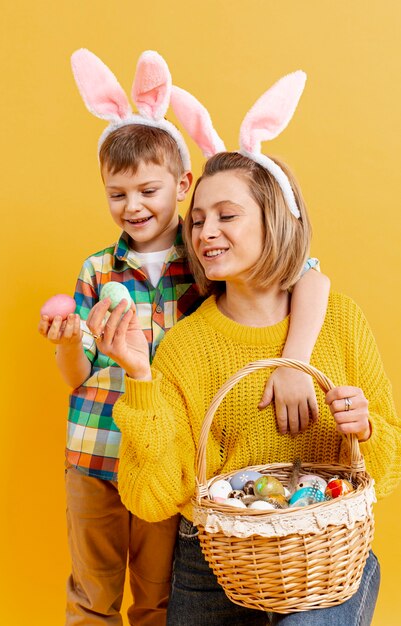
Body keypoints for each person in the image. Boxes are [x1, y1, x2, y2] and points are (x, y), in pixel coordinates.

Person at [86, 73, 401, 626]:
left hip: (323, 558)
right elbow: (154, 498)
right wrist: (138, 377)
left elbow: (391, 466)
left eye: (227, 216)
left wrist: (364, 428)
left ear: (274, 218)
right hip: (211, 563)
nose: (206, 232)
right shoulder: (185, 346)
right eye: (199, 219)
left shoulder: (340, 321)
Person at [38, 53, 329, 626]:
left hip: (165, 459)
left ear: (182, 183)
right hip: (94, 453)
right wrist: (67, 341)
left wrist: (295, 362)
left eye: (147, 190)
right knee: (90, 597)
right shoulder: (97, 269)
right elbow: (77, 377)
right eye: (117, 194)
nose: (133, 206)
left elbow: (310, 273)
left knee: (157, 599)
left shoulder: (206, 257)